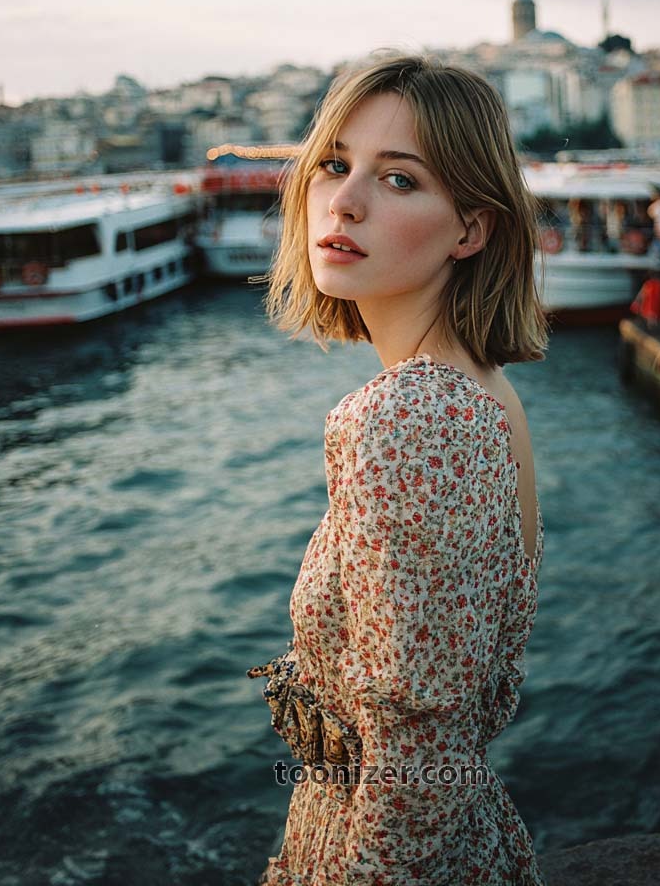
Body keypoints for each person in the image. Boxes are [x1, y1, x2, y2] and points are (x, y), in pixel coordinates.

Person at [249, 52, 550, 885]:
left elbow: (417, 768)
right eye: (335, 166)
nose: (343, 201)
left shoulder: (409, 418)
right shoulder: (477, 390)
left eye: (400, 180)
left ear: (472, 228)